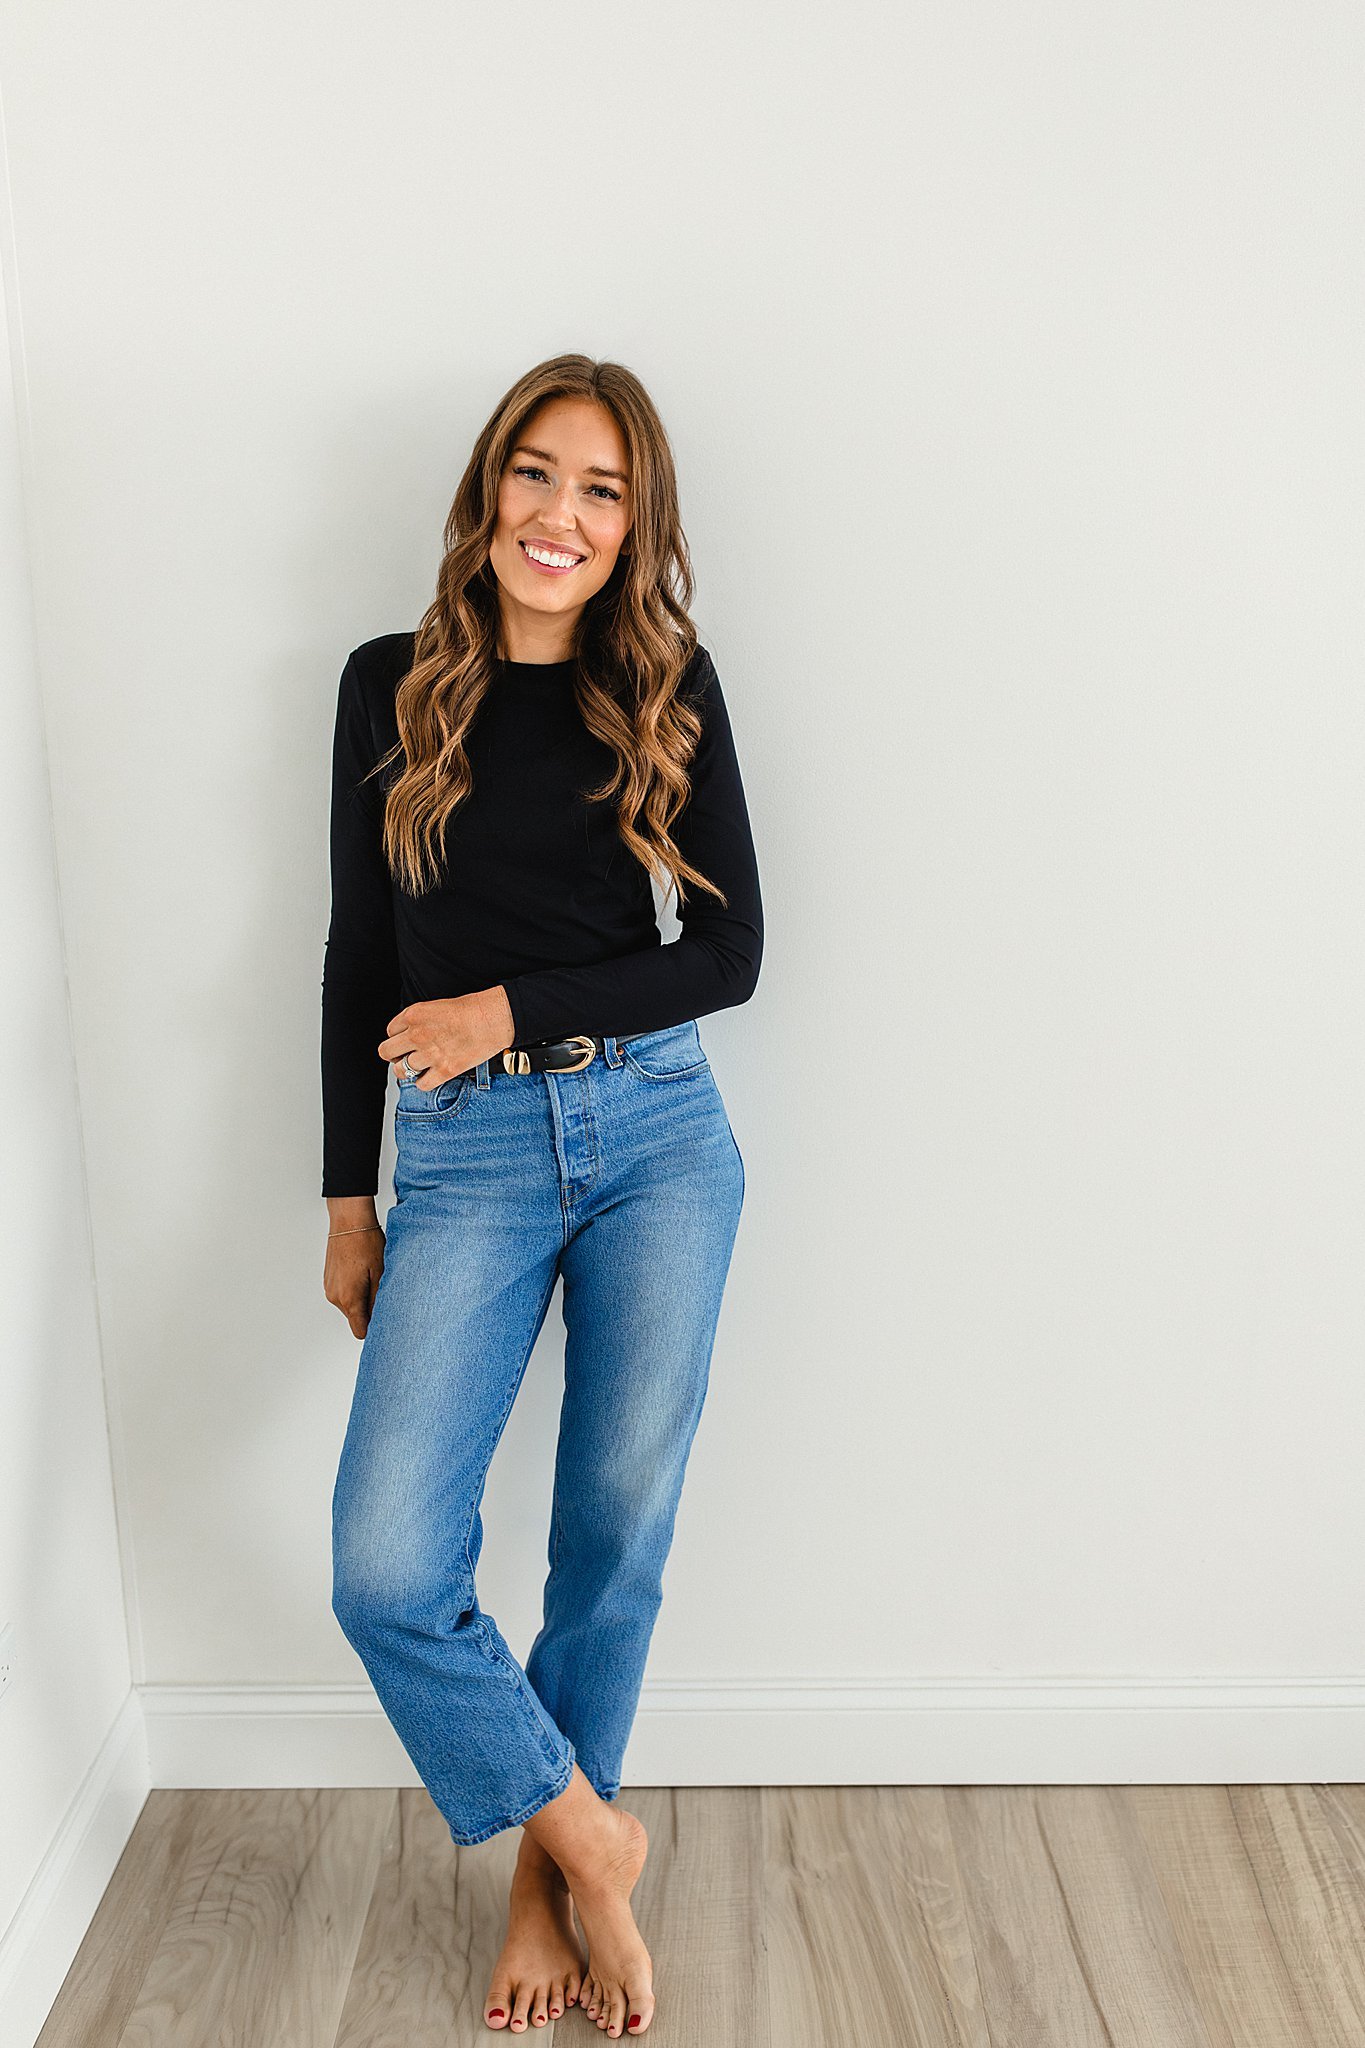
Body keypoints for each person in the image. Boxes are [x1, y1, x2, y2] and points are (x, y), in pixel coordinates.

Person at [321, 354, 763, 2040]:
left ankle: (537, 1885)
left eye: (598, 489)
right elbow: (359, 952)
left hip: (657, 1139)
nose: (558, 515)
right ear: (486, 490)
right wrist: (346, 1198)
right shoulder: (390, 683)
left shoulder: (667, 682)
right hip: (461, 1158)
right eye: (533, 473)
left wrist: (514, 1009)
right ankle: (587, 1834)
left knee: (609, 1542)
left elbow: (729, 955)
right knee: (386, 1568)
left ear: (632, 522)